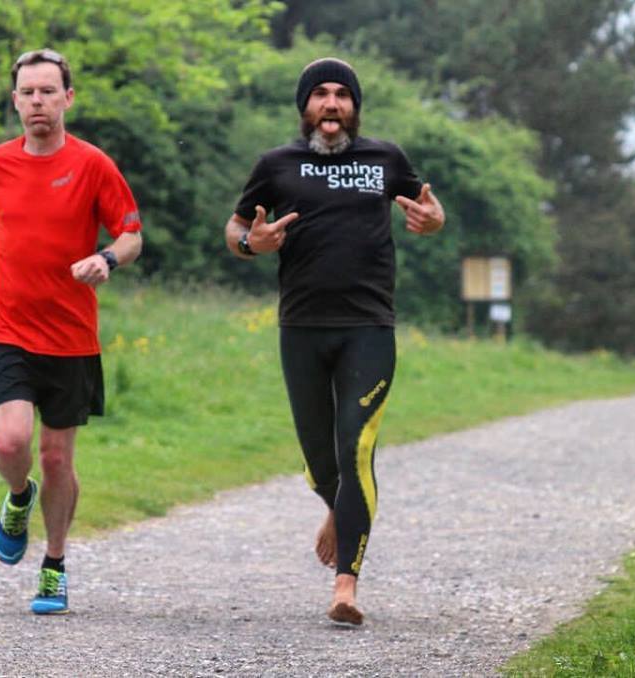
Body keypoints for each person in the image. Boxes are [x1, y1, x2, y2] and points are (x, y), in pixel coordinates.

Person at [224, 58, 444, 626]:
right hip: (300, 328)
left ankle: (345, 586)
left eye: (341, 95)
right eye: (319, 94)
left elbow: (426, 204)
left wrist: (434, 220)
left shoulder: (385, 158)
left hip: (368, 328)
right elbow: (236, 228)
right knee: (322, 463)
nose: (330, 104)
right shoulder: (276, 165)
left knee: (355, 449)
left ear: (354, 107)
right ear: (305, 107)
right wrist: (254, 242)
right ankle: (337, 508)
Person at [0, 48, 142, 615]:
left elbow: (132, 235)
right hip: (9, 328)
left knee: (58, 459)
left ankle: (54, 566)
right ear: (15, 101)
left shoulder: (93, 165)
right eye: (28, 92)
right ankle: (18, 497)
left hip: (72, 338)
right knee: (10, 442)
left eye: (48, 91)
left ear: (68, 97)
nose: (38, 101)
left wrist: (106, 259)